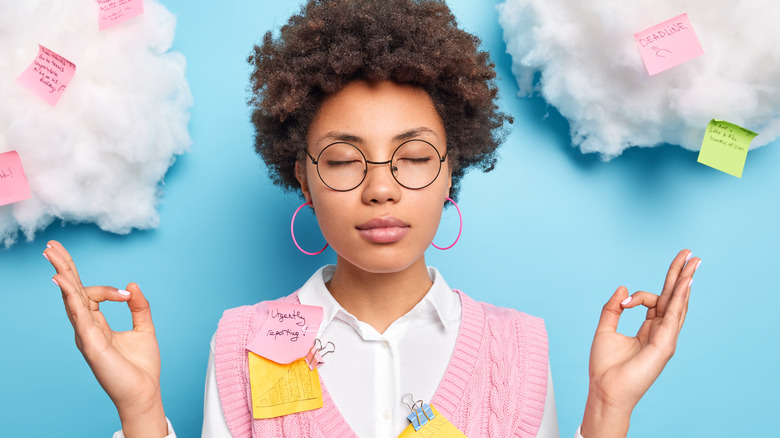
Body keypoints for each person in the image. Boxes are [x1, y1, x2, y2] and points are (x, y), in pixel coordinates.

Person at [44, 0, 700, 437]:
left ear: (451, 171)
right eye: (343, 160)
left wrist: (610, 410)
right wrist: (140, 409)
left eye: (413, 157)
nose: (381, 189)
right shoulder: (242, 338)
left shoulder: (519, 346)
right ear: (301, 175)